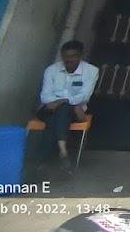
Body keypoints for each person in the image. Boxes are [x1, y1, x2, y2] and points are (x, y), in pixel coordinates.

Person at [37, 40, 99, 170]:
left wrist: (60, 101)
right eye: (65, 56)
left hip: (72, 111)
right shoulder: (51, 70)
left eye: (73, 56)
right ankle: (63, 151)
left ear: (80, 56)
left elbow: (84, 95)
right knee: (60, 111)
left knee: (57, 115)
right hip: (50, 108)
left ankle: (43, 162)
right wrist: (66, 101)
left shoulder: (91, 71)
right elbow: (45, 96)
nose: (68, 60)